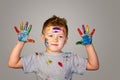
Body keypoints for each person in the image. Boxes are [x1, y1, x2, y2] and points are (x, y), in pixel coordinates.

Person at [8, 15, 99, 80]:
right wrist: (20, 42)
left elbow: (94, 66)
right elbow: (13, 63)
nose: (55, 39)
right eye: (51, 35)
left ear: (66, 40)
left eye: (60, 36)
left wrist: (88, 45)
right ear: (43, 37)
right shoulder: (36, 58)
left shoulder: (71, 58)